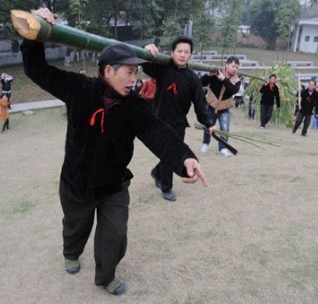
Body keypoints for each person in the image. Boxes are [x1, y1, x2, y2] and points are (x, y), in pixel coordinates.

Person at [21, 8, 208, 296]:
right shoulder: (79, 89)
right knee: (75, 227)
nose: (134, 78)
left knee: (116, 235)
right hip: (76, 183)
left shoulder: (134, 105)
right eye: (129, 72)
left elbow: (157, 131)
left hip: (113, 186)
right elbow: (37, 70)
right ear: (108, 71)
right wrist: (34, 36)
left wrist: (185, 159)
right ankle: (71, 252)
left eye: (136, 71)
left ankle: (106, 275)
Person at [142, 36, 213, 202]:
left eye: (186, 52)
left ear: (190, 55)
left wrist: (209, 123)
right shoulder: (163, 68)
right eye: (179, 51)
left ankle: (161, 179)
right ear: (172, 52)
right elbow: (145, 65)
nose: (182, 55)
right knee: (168, 153)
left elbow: (200, 106)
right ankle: (163, 181)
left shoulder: (193, 78)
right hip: (159, 121)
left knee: (171, 154)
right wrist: (147, 49)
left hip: (178, 124)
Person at [200, 57, 241, 157]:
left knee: (225, 128)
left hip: (224, 109)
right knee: (208, 126)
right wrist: (208, 75)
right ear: (226, 65)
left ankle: (222, 148)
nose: (235, 69)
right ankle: (205, 143)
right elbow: (201, 82)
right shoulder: (215, 73)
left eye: (236, 67)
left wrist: (224, 80)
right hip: (211, 106)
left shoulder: (237, 80)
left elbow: (233, 90)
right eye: (233, 66)